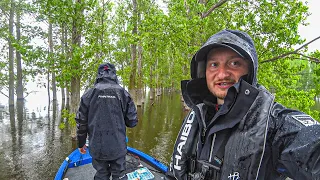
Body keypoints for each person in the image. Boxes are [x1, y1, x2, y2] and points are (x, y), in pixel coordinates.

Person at [169, 29, 320, 180]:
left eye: (234, 63)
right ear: (204, 72)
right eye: (214, 65)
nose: (222, 74)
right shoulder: (199, 114)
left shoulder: (275, 123)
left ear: (250, 71)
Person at [76, 63, 138, 180]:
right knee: (119, 175)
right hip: (118, 147)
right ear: (114, 74)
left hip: (97, 147)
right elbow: (132, 122)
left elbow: (81, 122)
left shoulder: (88, 94)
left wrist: (81, 143)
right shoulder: (123, 93)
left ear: (98, 75)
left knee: (101, 174)